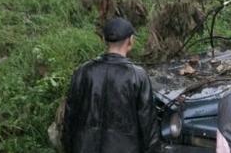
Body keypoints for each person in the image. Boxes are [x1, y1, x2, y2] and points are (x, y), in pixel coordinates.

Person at [62, 18, 159, 153]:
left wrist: (68, 147)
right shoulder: (138, 76)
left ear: (104, 40)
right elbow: (148, 125)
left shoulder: (83, 71)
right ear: (131, 40)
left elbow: (69, 117)